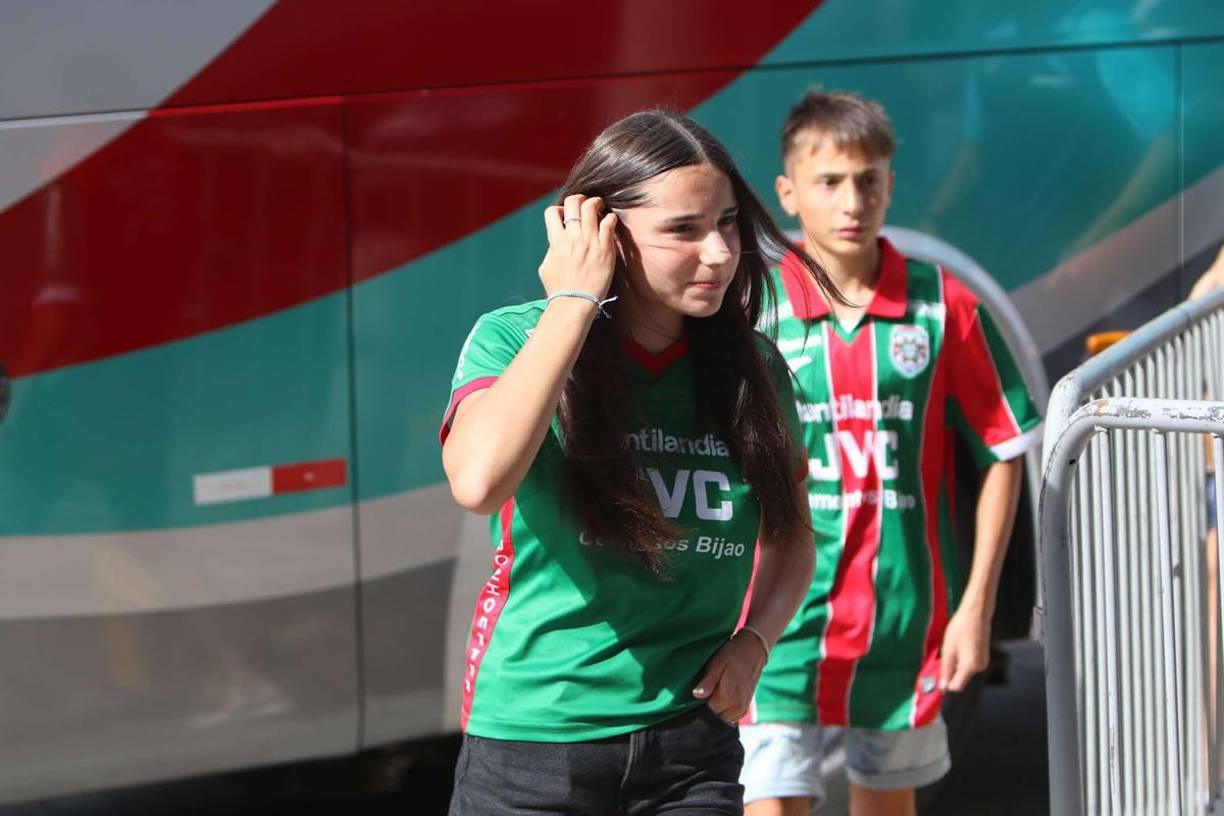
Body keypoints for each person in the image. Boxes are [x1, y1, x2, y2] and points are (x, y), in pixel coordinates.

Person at [440, 109, 840, 815]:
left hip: (690, 750)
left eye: (725, 223)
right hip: (532, 749)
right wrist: (572, 300)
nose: (719, 253)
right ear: (601, 233)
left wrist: (755, 642)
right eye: (683, 230)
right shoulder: (513, 341)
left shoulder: (756, 369)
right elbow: (478, 482)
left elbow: (792, 537)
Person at [739, 91, 1042, 816]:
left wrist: (977, 607)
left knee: (886, 802)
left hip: (905, 624)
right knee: (770, 803)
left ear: (891, 186)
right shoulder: (755, 309)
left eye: (869, 180)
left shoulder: (943, 306)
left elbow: (1005, 448)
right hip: (773, 618)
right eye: (830, 182)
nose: (853, 201)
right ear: (788, 192)